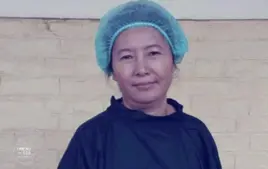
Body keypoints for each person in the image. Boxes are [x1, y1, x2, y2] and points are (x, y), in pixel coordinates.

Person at [58, 0, 222, 169]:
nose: (141, 69)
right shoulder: (92, 138)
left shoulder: (196, 134)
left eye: (153, 53)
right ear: (112, 69)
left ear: (173, 60)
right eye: (127, 57)